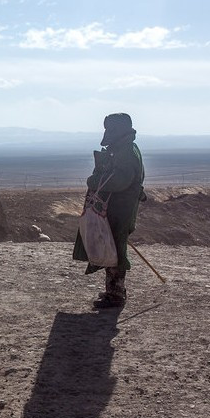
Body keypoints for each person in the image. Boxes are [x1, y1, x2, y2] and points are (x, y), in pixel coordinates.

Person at [73, 113, 146, 308]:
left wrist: (94, 181)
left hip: (120, 209)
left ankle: (115, 294)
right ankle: (113, 290)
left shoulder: (127, 152)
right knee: (110, 245)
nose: (107, 132)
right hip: (116, 207)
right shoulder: (123, 149)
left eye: (110, 128)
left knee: (115, 249)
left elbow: (120, 181)